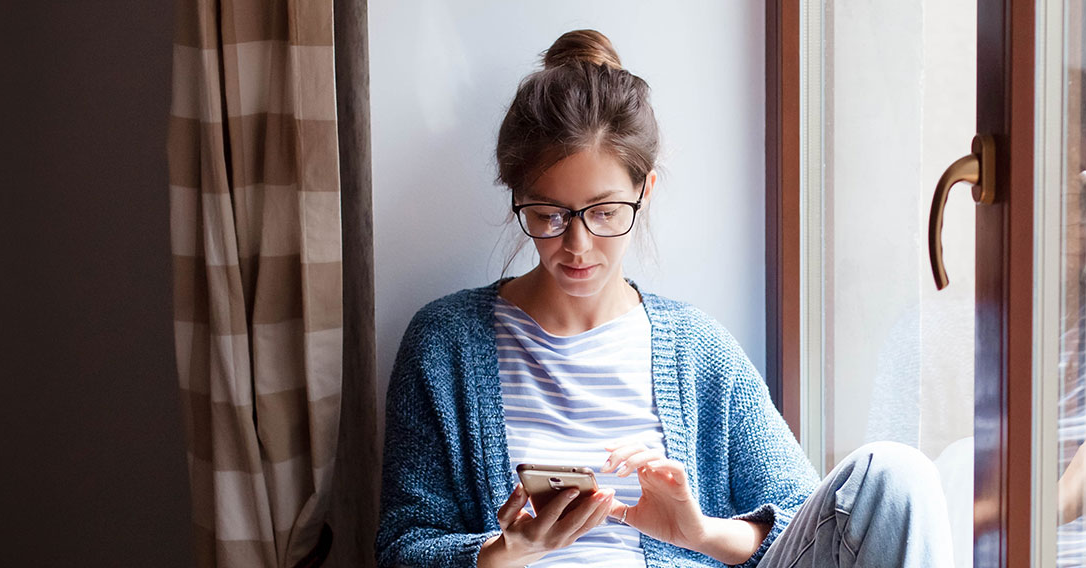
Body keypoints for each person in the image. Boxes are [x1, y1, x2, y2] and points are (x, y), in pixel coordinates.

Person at [375, 29, 954, 568]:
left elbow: (807, 523)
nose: (577, 246)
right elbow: (403, 545)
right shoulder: (445, 344)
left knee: (897, 474)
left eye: (604, 212)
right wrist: (504, 551)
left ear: (644, 191)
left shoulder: (696, 349)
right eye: (548, 215)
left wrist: (696, 532)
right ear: (516, 199)